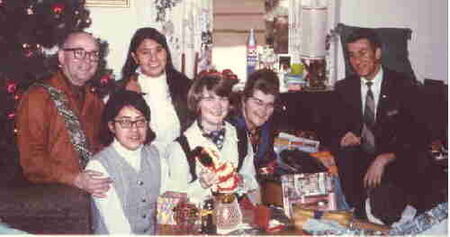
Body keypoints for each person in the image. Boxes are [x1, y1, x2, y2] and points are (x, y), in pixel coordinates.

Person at [331, 28, 434, 225]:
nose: (357, 61)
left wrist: (386, 157)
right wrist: (344, 136)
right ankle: (359, 208)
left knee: (387, 207)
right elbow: (330, 130)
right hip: (359, 164)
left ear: (377, 53)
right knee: (345, 157)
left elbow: (420, 135)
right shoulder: (343, 88)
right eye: (351, 55)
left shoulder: (404, 86)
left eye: (363, 53)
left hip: (394, 163)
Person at [16, 31, 111, 196]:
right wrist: (75, 179)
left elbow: (104, 148)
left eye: (93, 54)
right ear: (61, 57)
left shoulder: (95, 102)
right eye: (79, 53)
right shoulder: (38, 97)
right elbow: (32, 160)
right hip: (51, 197)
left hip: (92, 193)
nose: (87, 60)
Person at [165, 72, 258, 204]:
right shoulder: (180, 147)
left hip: (234, 218)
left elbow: (252, 181)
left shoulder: (241, 137)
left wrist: (240, 180)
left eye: (223, 98)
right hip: (198, 221)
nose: (218, 106)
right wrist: (201, 185)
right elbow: (174, 201)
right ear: (197, 103)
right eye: (209, 99)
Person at [87, 90, 165, 234]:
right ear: (111, 126)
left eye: (140, 121)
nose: (134, 129)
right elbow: (117, 228)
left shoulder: (157, 156)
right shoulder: (98, 167)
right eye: (125, 122)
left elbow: (167, 207)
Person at [119, 27, 193, 152]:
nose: (154, 58)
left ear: (166, 52)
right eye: (145, 52)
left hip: (181, 157)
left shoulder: (184, 85)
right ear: (135, 57)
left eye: (158, 50)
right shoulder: (123, 89)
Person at [227, 69, 279, 170]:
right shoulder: (229, 129)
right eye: (258, 102)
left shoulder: (265, 129)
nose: (263, 110)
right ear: (244, 100)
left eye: (269, 105)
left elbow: (267, 162)